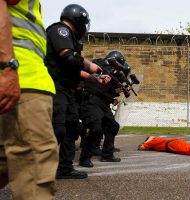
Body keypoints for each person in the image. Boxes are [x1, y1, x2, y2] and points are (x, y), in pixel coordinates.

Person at [0, 0, 59, 199]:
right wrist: (6, 66)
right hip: (21, 76)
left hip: (23, 76)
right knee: (35, 166)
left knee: (6, 161)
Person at [44, 4, 111, 179]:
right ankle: (38, 169)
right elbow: (68, 56)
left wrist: (95, 78)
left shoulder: (71, 38)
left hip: (67, 89)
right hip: (55, 86)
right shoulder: (61, 30)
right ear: (79, 19)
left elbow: (74, 70)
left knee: (74, 127)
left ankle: (64, 168)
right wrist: (91, 65)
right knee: (57, 129)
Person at [79, 51, 130, 168]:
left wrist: (118, 90)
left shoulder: (112, 74)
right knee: (96, 129)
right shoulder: (99, 64)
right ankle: (85, 158)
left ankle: (107, 154)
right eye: (119, 64)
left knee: (113, 126)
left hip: (103, 103)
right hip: (91, 100)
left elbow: (109, 91)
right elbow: (92, 75)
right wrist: (111, 72)